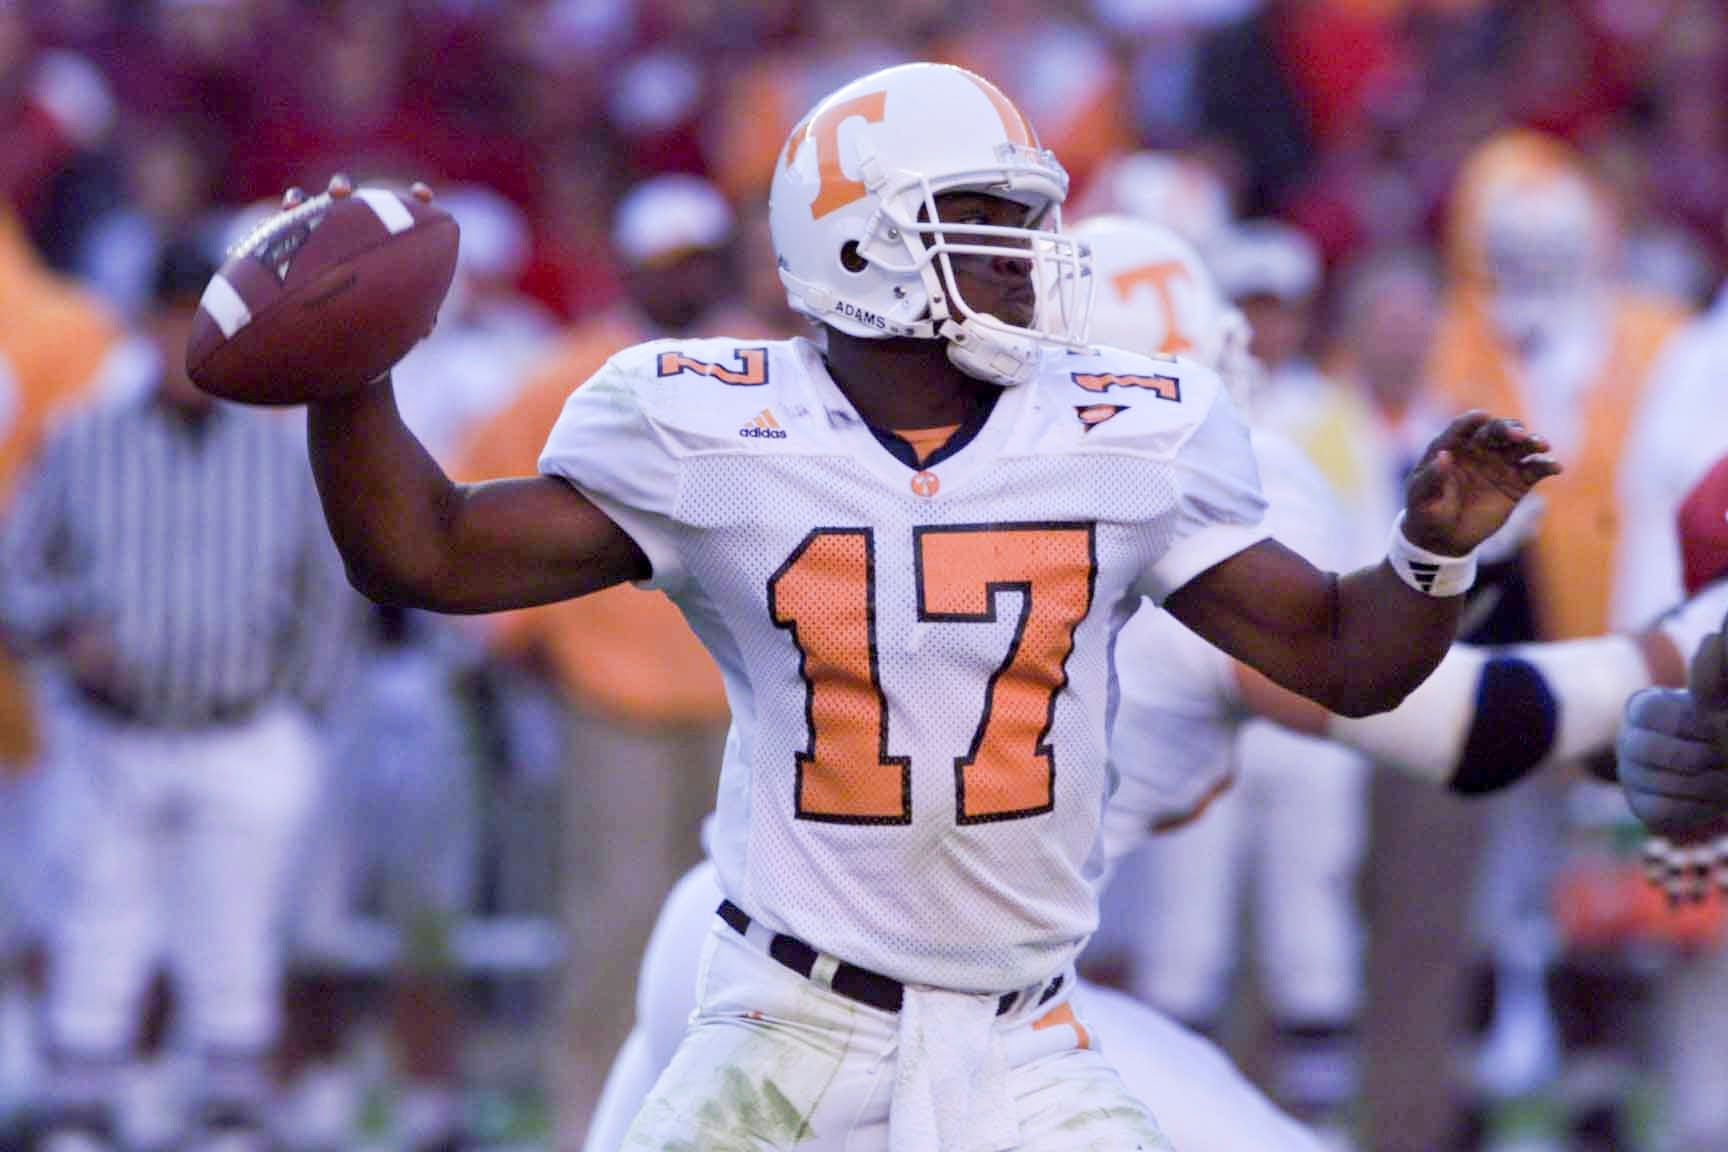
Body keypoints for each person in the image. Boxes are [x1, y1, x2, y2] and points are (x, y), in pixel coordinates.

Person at [271, 63, 1554, 1150]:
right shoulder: (720, 426)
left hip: (1025, 1025)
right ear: (859, 239)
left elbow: (1344, 654)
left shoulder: (1117, 432)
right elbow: (426, 554)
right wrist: (350, 375)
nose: (1028, 260)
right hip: (785, 1011)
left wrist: (1431, 555)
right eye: (985, 223)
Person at [0, 238, 360, 1152]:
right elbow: (16, 576)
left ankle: (228, 1110)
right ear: (139, 325)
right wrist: (60, 629)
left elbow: (327, 595)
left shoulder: (277, 453)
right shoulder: (82, 439)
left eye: (192, 321)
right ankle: (82, 1106)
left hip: (241, 724)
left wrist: (298, 712)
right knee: (98, 925)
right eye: (163, 319)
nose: (176, 341)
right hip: (112, 730)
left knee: (234, 931)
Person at [454, 173, 773, 1140]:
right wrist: (527, 642)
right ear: (631, 264)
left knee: (744, 934)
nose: (683, 279)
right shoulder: (571, 374)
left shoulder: (759, 366)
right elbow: (478, 501)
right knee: (617, 924)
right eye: (667, 261)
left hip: (749, 696)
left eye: (697, 260)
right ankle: (585, 1117)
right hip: (618, 695)